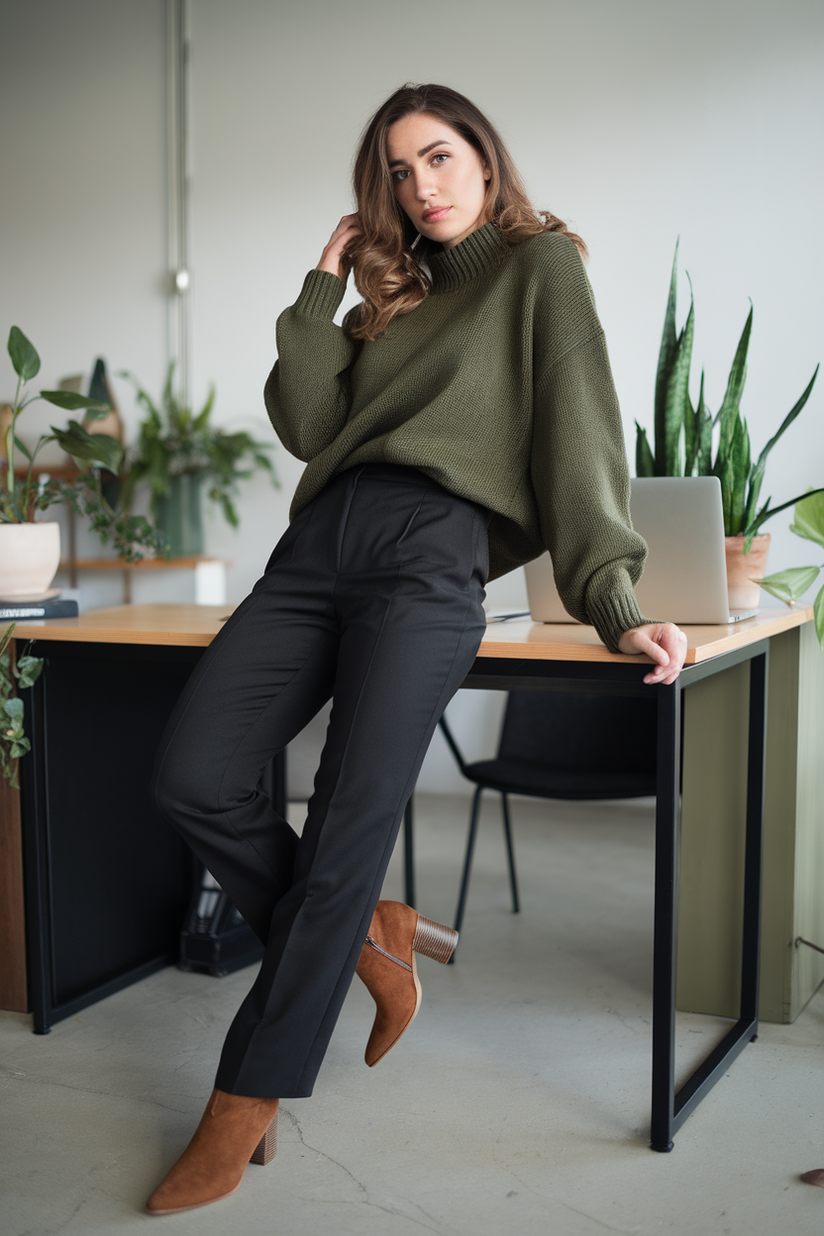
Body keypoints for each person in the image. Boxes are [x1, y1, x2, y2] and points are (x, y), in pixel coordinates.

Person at [146, 82, 687, 1215]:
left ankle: (246, 1097)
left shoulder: (539, 270)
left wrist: (610, 593)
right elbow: (304, 424)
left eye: (437, 158)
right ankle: (371, 935)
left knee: (350, 818)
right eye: (396, 171)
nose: (420, 186)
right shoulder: (383, 299)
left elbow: (580, 435)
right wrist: (323, 286)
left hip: (430, 554)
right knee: (190, 772)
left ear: (483, 161)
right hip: (319, 548)